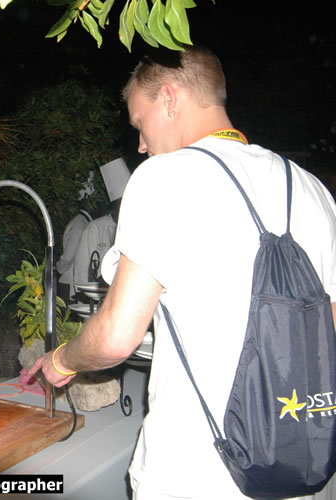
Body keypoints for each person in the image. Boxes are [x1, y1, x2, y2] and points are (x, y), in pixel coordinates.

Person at [30, 46, 336, 499]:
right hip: (294, 466)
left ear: (169, 98)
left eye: (140, 122)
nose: (140, 144)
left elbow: (117, 336)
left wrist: (61, 361)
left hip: (193, 473)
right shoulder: (312, 189)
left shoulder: (164, 178)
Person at [71, 157, 131, 287]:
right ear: (114, 205)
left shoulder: (134, 227)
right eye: (121, 204)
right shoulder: (95, 228)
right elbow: (81, 271)